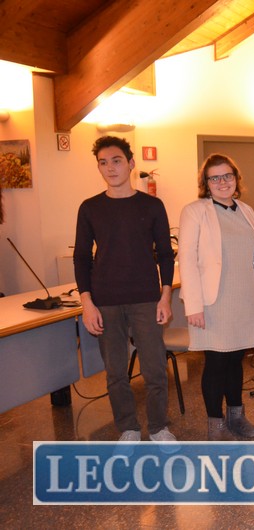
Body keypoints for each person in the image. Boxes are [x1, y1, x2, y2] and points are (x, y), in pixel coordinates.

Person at [73, 136, 177, 445]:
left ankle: (158, 428)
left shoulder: (152, 205)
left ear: (130, 163)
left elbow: (165, 253)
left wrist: (166, 296)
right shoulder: (90, 208)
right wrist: (87, 303)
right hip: (105, 301)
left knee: (155, 370)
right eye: (103, 163)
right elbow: (82, 257)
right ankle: (128, 428)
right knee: (116, 372)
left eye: (116, 161)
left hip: (146, 298)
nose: (110, 168)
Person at [179, 154, 254, 440]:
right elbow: (187, 260)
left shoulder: (246, 210)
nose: (222, 182)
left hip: (243, 298)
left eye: (227, 176)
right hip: (212, 302)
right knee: (217, 362)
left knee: (235, 359)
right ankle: (215, 423)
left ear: (236, 178)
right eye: (214, 177)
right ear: (205, 183)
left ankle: (236, 416)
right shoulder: (195, 211)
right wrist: (193, 306)